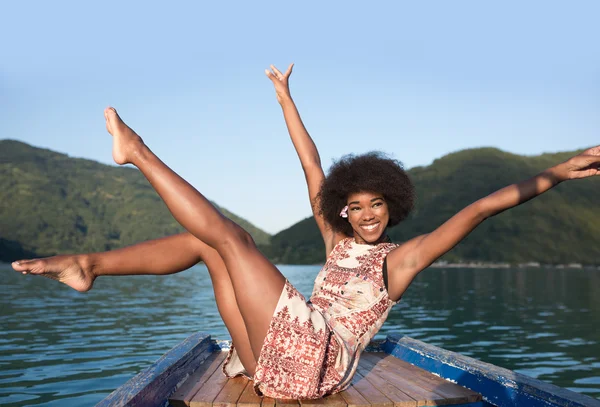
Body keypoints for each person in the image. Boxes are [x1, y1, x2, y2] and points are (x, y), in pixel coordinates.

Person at [11, 64, 600, 400]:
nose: (367, 214)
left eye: (377, 205)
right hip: (272, 359)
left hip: (317, 363)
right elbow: (311, 164)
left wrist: (555, 172)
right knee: (206, 246)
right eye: (356, 205)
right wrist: (285, 98)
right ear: (342, 211)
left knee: (233, 240)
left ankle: (138, 152)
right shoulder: (336, 242)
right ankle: (88, 265)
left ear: (393, 207)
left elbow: (479, 209)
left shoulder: (402, 261)